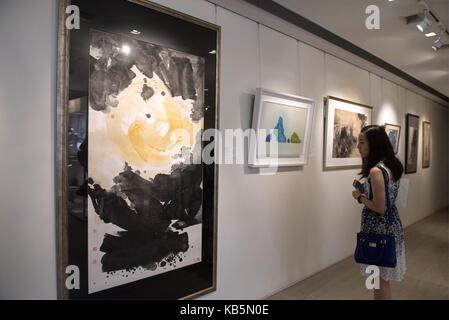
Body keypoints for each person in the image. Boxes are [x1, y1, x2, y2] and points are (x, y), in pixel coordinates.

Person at [352, 125, 406, 300]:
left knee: (377, 279)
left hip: (377, 232)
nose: (358, 146)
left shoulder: (376, 171)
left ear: (373, 144)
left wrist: (359, 197)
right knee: (382, 279)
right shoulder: (392, 165)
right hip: (391, 227)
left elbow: (380, 207)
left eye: (361, 142)